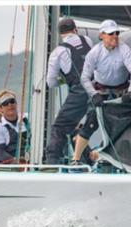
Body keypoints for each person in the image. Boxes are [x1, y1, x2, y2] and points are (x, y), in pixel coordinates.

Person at [72, 20, 131, 165]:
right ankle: (75, 159)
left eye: (116, 33)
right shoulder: (94, 53)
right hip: (101, 89)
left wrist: (130, 92)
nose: (114, 36)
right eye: (110, 33)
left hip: (121, 90)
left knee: (122, 123)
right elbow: (85, 77)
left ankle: (113, 157)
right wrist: (94, 94)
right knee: (91, 122)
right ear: (101, 35)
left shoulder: (124, 50)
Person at [45, 18, 93, 165]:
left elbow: (50, 82)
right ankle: (87, 161)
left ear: (60, 34)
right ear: (75, 29)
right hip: (98, 87)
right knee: (86, 126)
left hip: (80, 91)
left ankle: (51, 165)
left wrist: (63, 79)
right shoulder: (87, 40)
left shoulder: (58, 52)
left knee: (60, 128)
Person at [0, 90, 29, 164]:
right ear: (1, 108)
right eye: (5, 103)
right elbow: (0, 153)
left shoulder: (27, 120)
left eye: (12, 101)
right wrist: (18, 163)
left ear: (16, 104)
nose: (10, 105)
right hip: (12, 167)